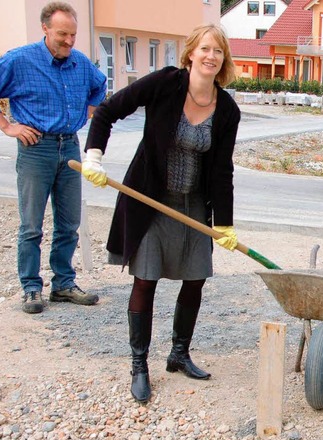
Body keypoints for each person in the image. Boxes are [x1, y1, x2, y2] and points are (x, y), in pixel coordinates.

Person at [82, 24, 240, 404]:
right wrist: (94, 156)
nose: (210, 57)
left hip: (193, 206)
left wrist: (224, 223)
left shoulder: (227, 109)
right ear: (190, 53)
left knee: (196, 278)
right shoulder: (166, 83)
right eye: (204, 49)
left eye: (218, 51)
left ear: (224, 60)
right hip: (149, 200)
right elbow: (107, 111)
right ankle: (139, 365)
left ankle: (179, 352)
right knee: (145, 280)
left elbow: (222, 171)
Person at [0, 2, 107, 314]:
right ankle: (31, 288)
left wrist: (86, 113)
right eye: (62, 35)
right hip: (36, 149)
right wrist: (6, 125)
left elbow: (100, 86)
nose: (69, 41)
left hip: (69, 148)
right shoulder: (20, 60)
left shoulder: (80, 63)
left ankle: (63, 284)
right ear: (45, 29)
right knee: (31, 225)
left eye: (73, 34)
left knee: (69, 223)